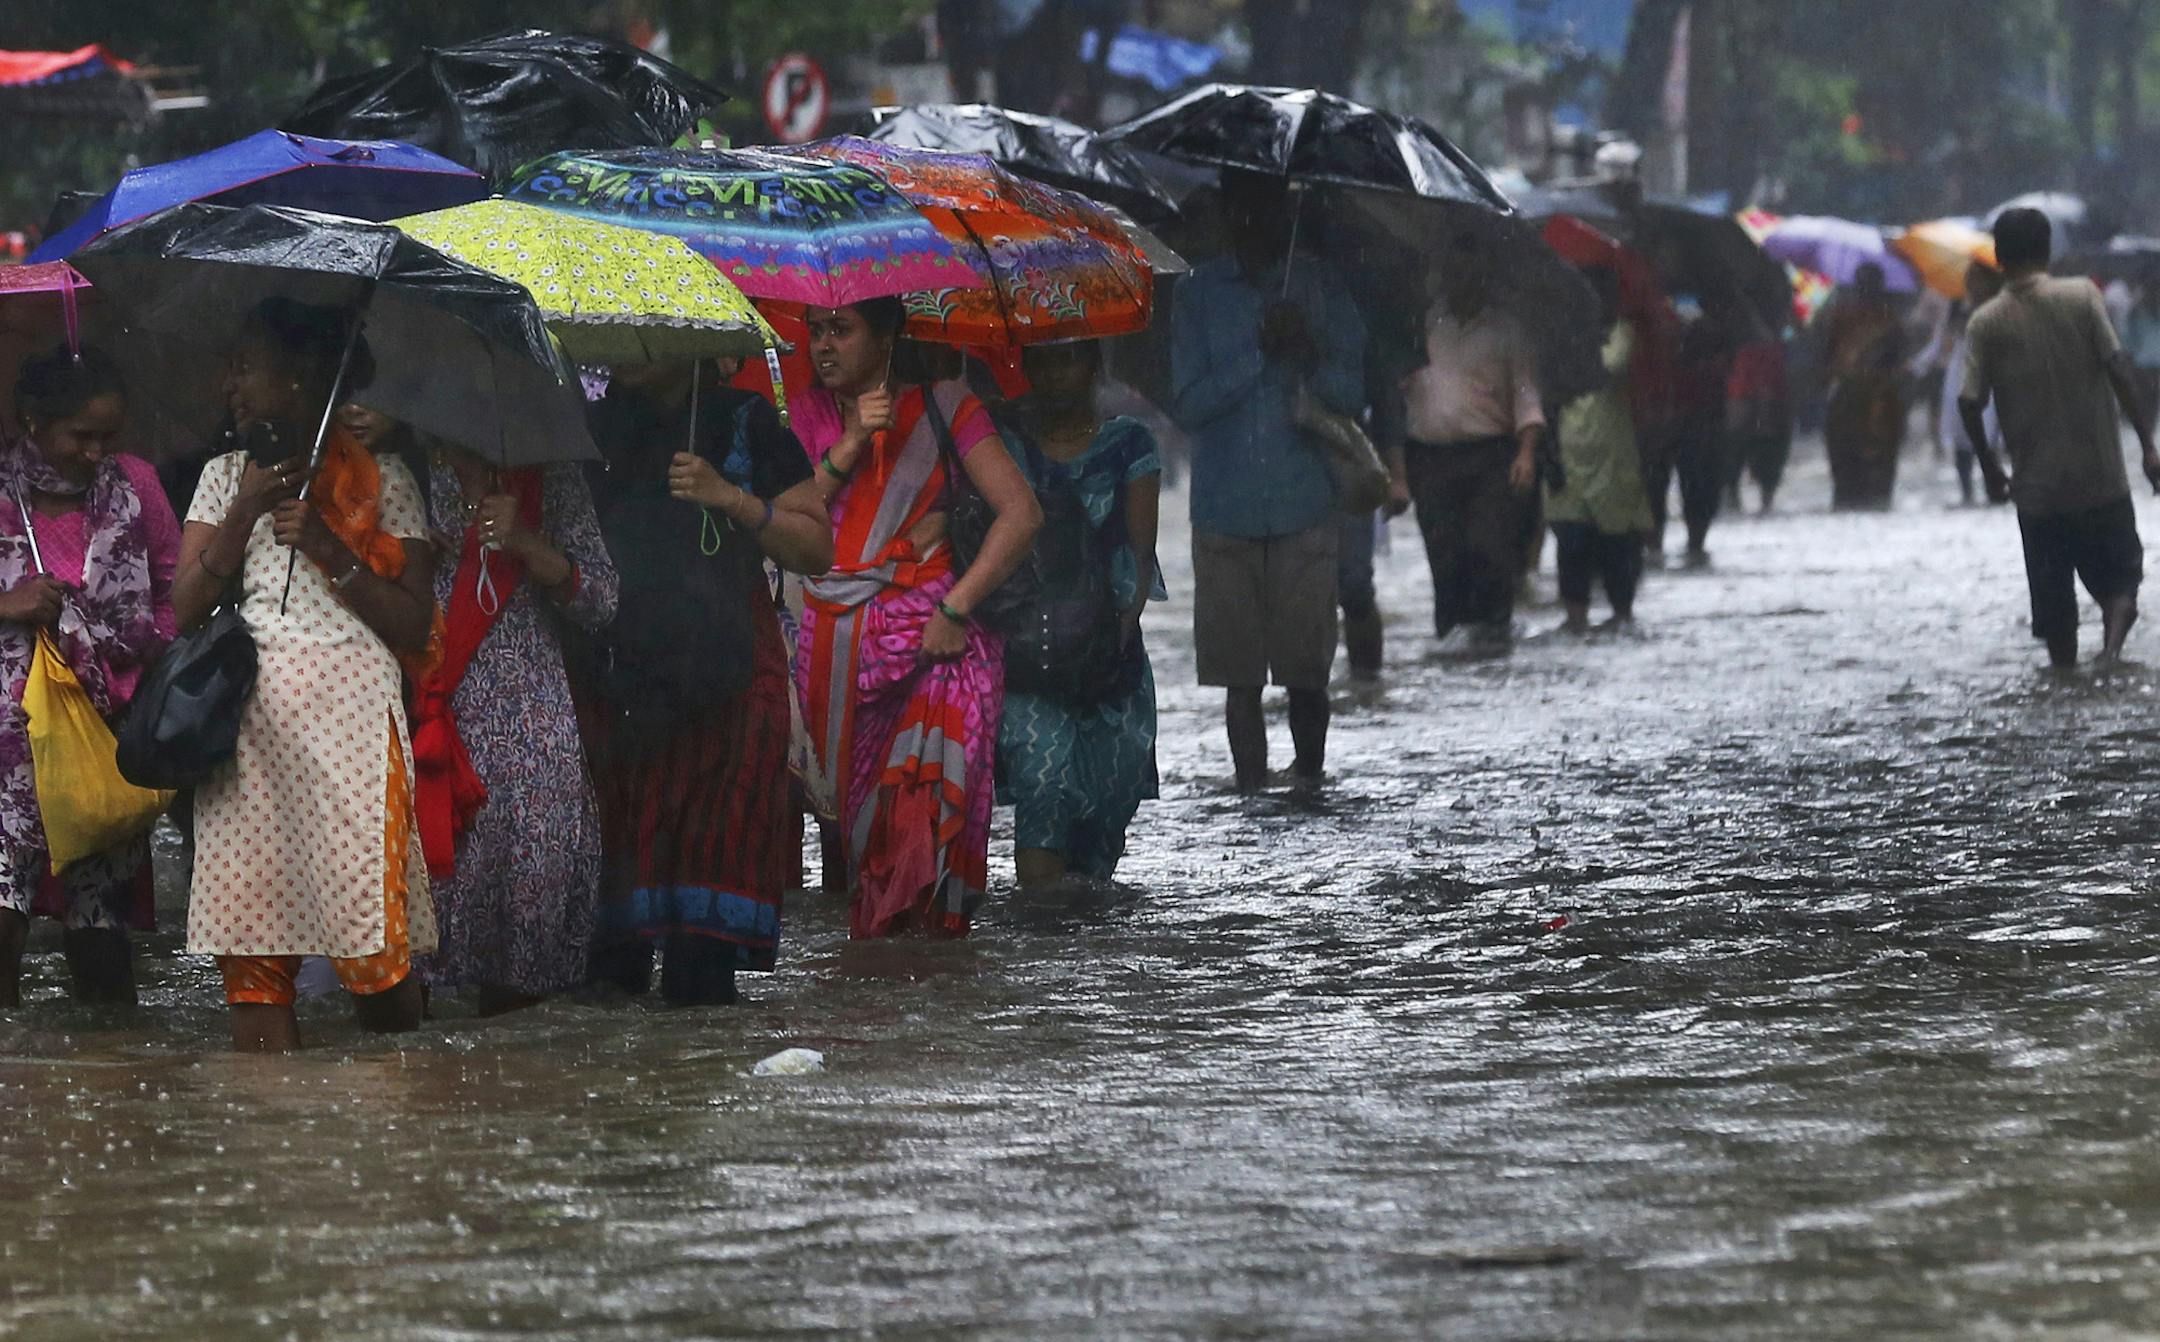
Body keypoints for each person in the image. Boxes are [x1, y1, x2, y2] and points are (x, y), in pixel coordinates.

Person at [173, 299, 442, 1052]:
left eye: (247, 367)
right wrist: (245, 512)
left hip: (352, 740)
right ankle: (274, 1147)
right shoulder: (228, 476)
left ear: (298, 380)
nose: (232, 383)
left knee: (373, 959)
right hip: (249, 746)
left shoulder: (386, 480)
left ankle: (387, 1132)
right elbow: (185, 608)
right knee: (252, 961)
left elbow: (414, 625)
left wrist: (329, 548)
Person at [584, 356, 831, 1003]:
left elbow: (814, 548)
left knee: (700, 963)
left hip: (730, 683)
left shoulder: (745, 422)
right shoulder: (593, 424)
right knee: (614, 966)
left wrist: (732, 498)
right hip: (623, 690)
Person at [793, 302, 1039, 937]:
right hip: (836, 654)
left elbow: (1021, 514)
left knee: (920, 825)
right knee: (858, 842)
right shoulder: (805, 415)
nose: (824, 346)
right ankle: (875, 999)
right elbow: (785, 519)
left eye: (841, 330)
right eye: (816, 331)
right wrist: (851, 444)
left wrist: (956, 609)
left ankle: (929, 1004)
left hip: (938, 647)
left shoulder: (948, 406)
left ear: (888, 336)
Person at [403, 414, 619, 1015]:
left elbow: (601, 601)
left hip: (531, 718)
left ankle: (516, 1078)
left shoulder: (552, 477)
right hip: (434, 709)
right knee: (425, 911)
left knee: (527, 900)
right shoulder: (409, 474)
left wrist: (528, 543)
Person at [1173, 173, 1365, 789]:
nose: (1257, 222)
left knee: (1308, 672)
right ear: (1227, 213)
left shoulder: (1321, 286)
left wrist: (1306, 349)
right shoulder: (1197, 294)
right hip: (1224, 510)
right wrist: (1258, 353)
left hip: (1305, 504)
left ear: (1287, 212)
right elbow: (1189, 403)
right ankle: (1250, 791)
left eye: (1269, 208)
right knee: (1239, 680)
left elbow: (1351, 395)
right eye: (1244, 208)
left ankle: (1310, 780)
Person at [0, 347, 179, 1006]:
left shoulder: (135, 484)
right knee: (1, 902)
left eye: (108, 436)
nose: (95, 450)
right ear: (33, 420)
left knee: (99, 917)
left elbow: (170, 586)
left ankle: (111, 1074)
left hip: (107, 727)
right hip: (9, 736)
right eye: (81, 435)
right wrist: (8, 604)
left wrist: (140, 655)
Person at [1960, 207, 2160, 669]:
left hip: (2039, 494)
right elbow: (2118, 369)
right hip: (2101, 479)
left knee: (2055, 621)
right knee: (2121, 579)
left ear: (1998, 256)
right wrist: (2149, 445)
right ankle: (2111, 649)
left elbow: (1969, 402)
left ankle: (2070, 684)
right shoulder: (2082, 297)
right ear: (2048, 250)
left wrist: (1991, 470)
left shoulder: (1986, 322)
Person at [993, 341, 1162, 886]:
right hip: (1027, 647)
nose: (1053, 373)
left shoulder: (1130, 444)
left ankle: (1082, 952)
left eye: (1067, 359)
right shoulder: (1003, 444)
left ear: (1093, 365)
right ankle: (1043, 932)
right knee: (1041, 784)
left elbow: (1138, 560)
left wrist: (1113, 639)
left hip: (1105, 652)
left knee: (1105, 805)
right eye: (1041, 359)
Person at [1397, 230, 1544, 654]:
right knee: (1442, 548)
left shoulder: (1507, 329)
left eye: (1468, 271)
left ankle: (1493, 631)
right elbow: (1400, 383)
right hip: (1430, 456)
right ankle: (1449, 634)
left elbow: (1525, 393)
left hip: (1490, 455)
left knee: (1489, 545)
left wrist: (1527, 452)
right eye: (1453, 271)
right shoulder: (1423, 324)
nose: (1460, 279)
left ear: (1483, 275)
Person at [1546, 268, 1653, 632]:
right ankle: (1575, 618)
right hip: (1569, 455)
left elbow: (1612, 365)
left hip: (1613, 457)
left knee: (1618, 543)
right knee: (1572, 543)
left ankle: (1621, 615)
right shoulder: (1557, 337)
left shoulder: (1621, 332)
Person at [1814, 262, 1907, 509]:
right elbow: (1826, 356)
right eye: (1863, 283)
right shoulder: (1842, 316)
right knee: (1846, 459)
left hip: (1878, 399)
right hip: (1851, 397)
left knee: (1878, 460)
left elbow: (1897, 359)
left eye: (1871, 283)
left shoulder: (1889, 320)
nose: (1867, 289)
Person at [1939, 264, 2004, 505]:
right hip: (1958, 375)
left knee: (1987, 434)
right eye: (1970, 278)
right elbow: (1941, 342)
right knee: (1960, 436)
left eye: (1978, 278)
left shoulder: (1997, 308)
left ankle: (1993, 488)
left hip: (1987, 375)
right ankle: (1966, 493)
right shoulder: (1956, 307)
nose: (1972, 284)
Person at [1725, 322, 1793, 513]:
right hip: (1755, 400)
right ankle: (1764, 498)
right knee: (1766, 455)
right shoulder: (1776, 351)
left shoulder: (1741, 347)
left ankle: (1742, 496)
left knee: (1737, 455)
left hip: (1744, 400)